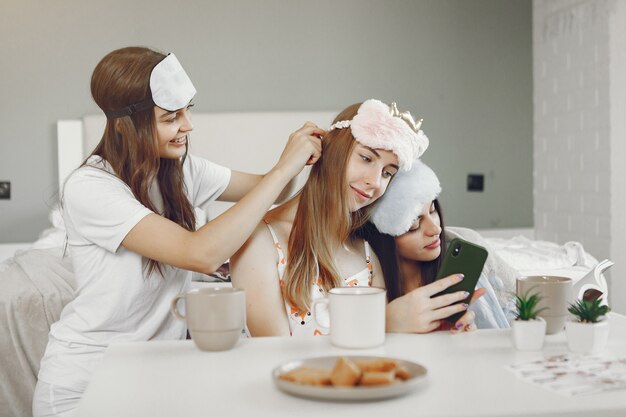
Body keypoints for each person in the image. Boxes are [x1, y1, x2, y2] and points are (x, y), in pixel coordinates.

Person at [33, 46, 324, 416]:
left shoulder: (182, 171)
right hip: (88, 381)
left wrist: (307, 159)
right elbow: (200, 253)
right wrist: (285, 168)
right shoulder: (90, 187)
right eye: (171, 117)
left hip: (153, 374)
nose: (188, 125)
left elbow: (270, 191)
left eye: (189, 110)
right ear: (124, 125)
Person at [230, 98, 468, 337]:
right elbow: (274, 356)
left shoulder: (364, 250)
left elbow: (381, 355)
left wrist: (440, 332)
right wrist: (384, 323)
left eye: (387, 173)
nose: (374, 182)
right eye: (366, 158)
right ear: (331, 149)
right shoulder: (259, 239)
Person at [364, 158, 513, 333]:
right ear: (382, 236)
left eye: (433, 210)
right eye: (414, 224)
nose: (435, 228)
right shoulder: (367, 287)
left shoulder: (465, 250)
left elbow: (520, 302)